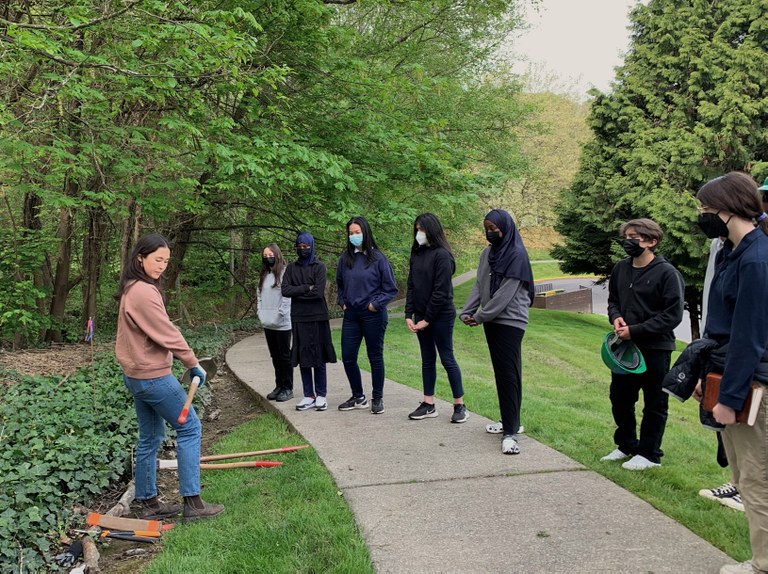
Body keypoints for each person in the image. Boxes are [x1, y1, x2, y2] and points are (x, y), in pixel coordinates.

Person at [115, 233, 224, 521]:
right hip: (152, 377)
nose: (162, 265)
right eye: (157, 259)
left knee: (150, 437)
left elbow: (154, 333)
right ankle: (193, 504)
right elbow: (166, 333)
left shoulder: (132, 287)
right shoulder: (143, 291)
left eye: (166, 261)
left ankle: (149, 504)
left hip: (136, 375)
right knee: (190, 428)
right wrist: (192, 362)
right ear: (140, 258)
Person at [695, 172, 768, 574]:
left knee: (758, 482)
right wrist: (705, 377)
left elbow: (749, 337)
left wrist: (729, 397)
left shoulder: (757, 259)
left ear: (728, 209)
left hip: (752, 386)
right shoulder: (730, 252)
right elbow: (719, 326)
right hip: (727, 375)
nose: (702, 216)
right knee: (744, 477)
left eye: (706, 208)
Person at [602, 218, 684, 470]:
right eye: (626, 237)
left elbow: (672, 316)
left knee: (655, 402)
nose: (628, 242)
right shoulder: (621, 268)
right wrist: (616, 317)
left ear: (651, 241)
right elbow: (613, 300)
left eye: (634, 237)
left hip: (656, 348)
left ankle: (649, 454)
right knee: (620, 398)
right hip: (625, 348)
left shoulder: (667, 273)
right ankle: (627, 445)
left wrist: (635, 331)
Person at [459, 209, 534, 455]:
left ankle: (510, 434)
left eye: (494, 228)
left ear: (506, 228)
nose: (490, 233)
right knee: (504, 374)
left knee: (508, 375)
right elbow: (479, 284)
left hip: (511, 321)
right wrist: (467, 311)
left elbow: (505, 294)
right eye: (487, 228)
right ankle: (510, 421)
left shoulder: (517, 254)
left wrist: (480, 316)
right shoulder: (487, 254)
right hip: (492, 319)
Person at [404, 213, 467, 424]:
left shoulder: (443, 256)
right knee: (427, 359)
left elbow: (441, 292)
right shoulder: (416, 253)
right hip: (421, 315)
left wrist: (427, 319)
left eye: (422, 229)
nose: (418, 233)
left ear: (431, 230)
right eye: (417, 229)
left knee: (447, 358)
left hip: (441, 316)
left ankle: (459, 405)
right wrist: (409, 314)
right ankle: (428, 403)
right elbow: (411, 285)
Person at [336, 216, 398, 414]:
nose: (354, 236)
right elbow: (339, 284)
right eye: (351, 233)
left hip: (373, 315)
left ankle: (377, 398)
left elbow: (390, 289)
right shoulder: (345, 259)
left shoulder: (378, 258)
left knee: (375, 356)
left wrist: (375, 305)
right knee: (348, 357)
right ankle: (358, 396)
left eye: (357, 232)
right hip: (351, 315)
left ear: (365, 233)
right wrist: (342, 302)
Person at [281, 232, 337, 411]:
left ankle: (321, 395)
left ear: (311, 246)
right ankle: (308, 395)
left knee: (319, 355)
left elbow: (318, 293)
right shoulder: (291, 268)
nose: (302, 249)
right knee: (303, 356)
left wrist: (298, 292)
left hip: (318, 316)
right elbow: (285, 290)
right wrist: (307, 287)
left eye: (305, 246)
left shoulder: (319, 267)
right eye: (299, 246)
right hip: (299, 317)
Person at [257, 243, 293, 402]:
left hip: (282, 324)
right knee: (275, 356)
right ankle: (279, 385)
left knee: (284, 356)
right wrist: (260, 313)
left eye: (270, 255)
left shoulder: (285, 273)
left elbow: (287, 297)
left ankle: (288, 387)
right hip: (267, 322)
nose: (268, 258)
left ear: (277, 255)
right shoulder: (264, 275)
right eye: (265, 256)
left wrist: (280, 314)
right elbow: (259, 296)